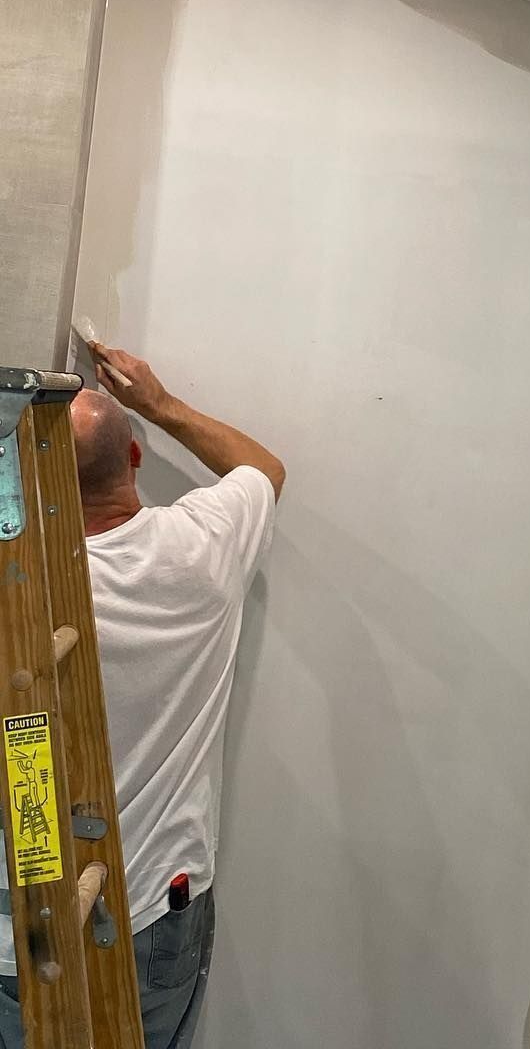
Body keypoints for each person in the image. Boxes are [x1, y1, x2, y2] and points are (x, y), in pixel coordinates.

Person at [0, 347, 284, 1049]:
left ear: (32, 477)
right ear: (133, 456)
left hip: (17, 942)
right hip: (158, 909)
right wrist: (162, 404)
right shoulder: (203, 549)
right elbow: (263, 469)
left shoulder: (18, 600)